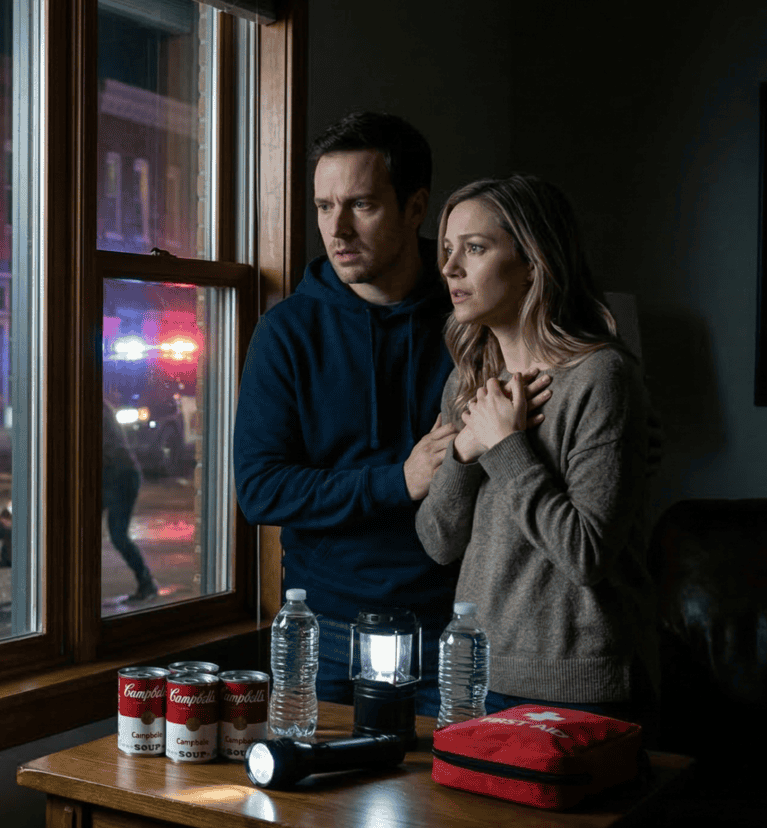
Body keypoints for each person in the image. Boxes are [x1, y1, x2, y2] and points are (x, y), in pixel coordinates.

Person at [232, 112, 551, 715]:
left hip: (458, 625)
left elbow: (557, 409)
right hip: (324, 633)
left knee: (457, 808)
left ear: (414, 207)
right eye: (325, 207)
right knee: (316, 808)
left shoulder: (479, 311)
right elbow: (260, 490)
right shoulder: (286, 333)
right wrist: (397, 480)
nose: (338, 229)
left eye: (362, 205)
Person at [416, 175, 655, 719]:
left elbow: (586, 554)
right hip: (476, 674)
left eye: (474, 248)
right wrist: (464, 452)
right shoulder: (468, 380)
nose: (450, 267)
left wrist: (503, 444)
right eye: (448, 249)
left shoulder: (602, 375)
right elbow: (436, 540)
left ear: (533, 261)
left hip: (580, 683)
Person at [103, 399, 158, 603]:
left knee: (118, 534)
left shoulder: (92, 408)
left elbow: (104, 449)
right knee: (116, 534)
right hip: (118, 475)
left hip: (119, 476)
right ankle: (146, 583)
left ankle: (147, 583)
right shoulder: (98, 406)